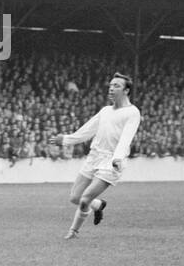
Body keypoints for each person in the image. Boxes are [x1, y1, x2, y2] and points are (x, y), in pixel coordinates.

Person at [51, 73, 141, 239]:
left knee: (85, 199)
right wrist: (66, 140)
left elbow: (126, 138)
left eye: (117, 86)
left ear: (126, 90)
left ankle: (73, 232)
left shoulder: (132, 112)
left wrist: (117, 158)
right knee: (75, 197)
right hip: (94, 157)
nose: (111, 88)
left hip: (111, 161)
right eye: (111, 85)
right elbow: (87, 131)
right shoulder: (105, 111)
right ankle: (98, 205)